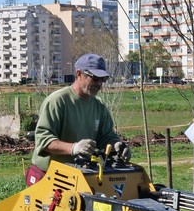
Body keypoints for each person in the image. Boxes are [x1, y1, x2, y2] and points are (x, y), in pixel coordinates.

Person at [26, 53, 130, 186]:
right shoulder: (57, 102)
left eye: (103, 79)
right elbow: (43, 140)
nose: (99, 83)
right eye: (95, 78)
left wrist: (116, 145)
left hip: (79, 176)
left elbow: (106, 136)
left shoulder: (98, 106)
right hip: (50, 178)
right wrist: (74, 148)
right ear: (79, 74)